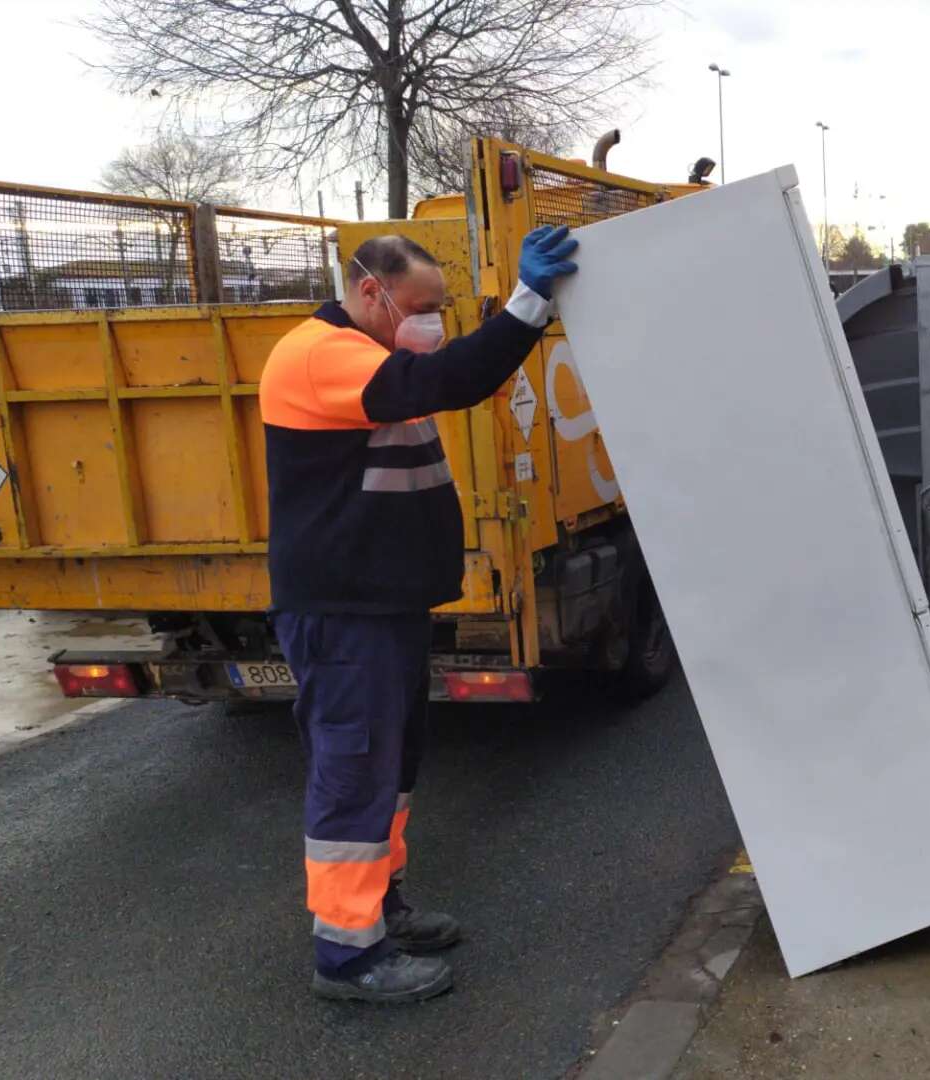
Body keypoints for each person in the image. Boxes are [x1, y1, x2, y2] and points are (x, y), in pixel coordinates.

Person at [259, 224, 578, 1003]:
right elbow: (448, 381)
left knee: (389, 770)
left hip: (379, 605)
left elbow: (445, 374)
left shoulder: (368, 354)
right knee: (354, 770)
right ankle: (346, 955)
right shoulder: (320, 353)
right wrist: (528, 304)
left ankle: (379, 909)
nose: (433, 322)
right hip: (343, 612)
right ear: (371, 292)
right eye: (422, 306)